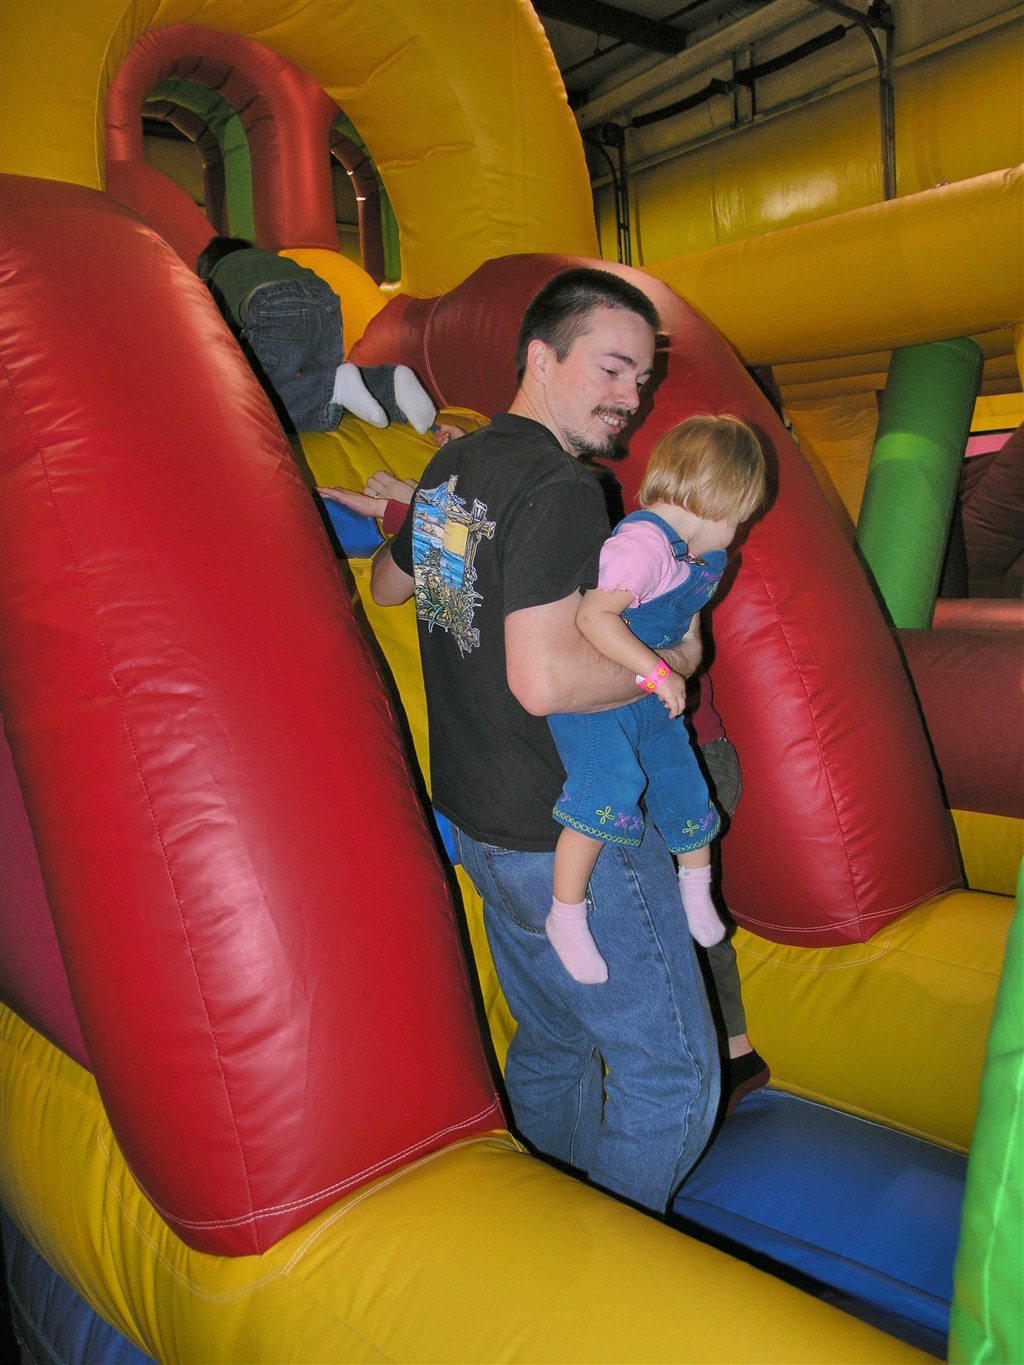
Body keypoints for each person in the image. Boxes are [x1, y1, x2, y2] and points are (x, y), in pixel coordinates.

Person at [369, 266, 721, 1213]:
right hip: (572, 833)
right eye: (611, 368)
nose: (630, 395)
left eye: (641, 377)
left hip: (484, 826)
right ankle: (604, 1280)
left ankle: (545, 1238)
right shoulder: (565, 489)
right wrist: (667, 664)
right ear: (539, 356)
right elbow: (543, 679)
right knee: (673, 1079)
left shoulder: (455, 469)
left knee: (558, 1045)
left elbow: (392, 588)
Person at [543, 415, 767, 985]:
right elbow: (594, 618)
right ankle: (565, 914)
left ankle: (697, 890)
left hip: (649, 693)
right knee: (606, 790)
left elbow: (686, 620)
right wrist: (657, 670)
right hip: (600, 695)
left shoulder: (695, 557)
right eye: (739, 520)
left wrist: (670, 661)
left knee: (684, 783)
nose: (737, 533)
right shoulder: (643, 547)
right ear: (716, 501)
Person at [195, 236, 436, 435]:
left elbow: (223, 339)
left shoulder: (217, 277)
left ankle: (334, 388)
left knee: (260, 405)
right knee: (320, 380)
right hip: (323, 297)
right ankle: (390, 385)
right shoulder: (265, 260)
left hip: (272, 304)